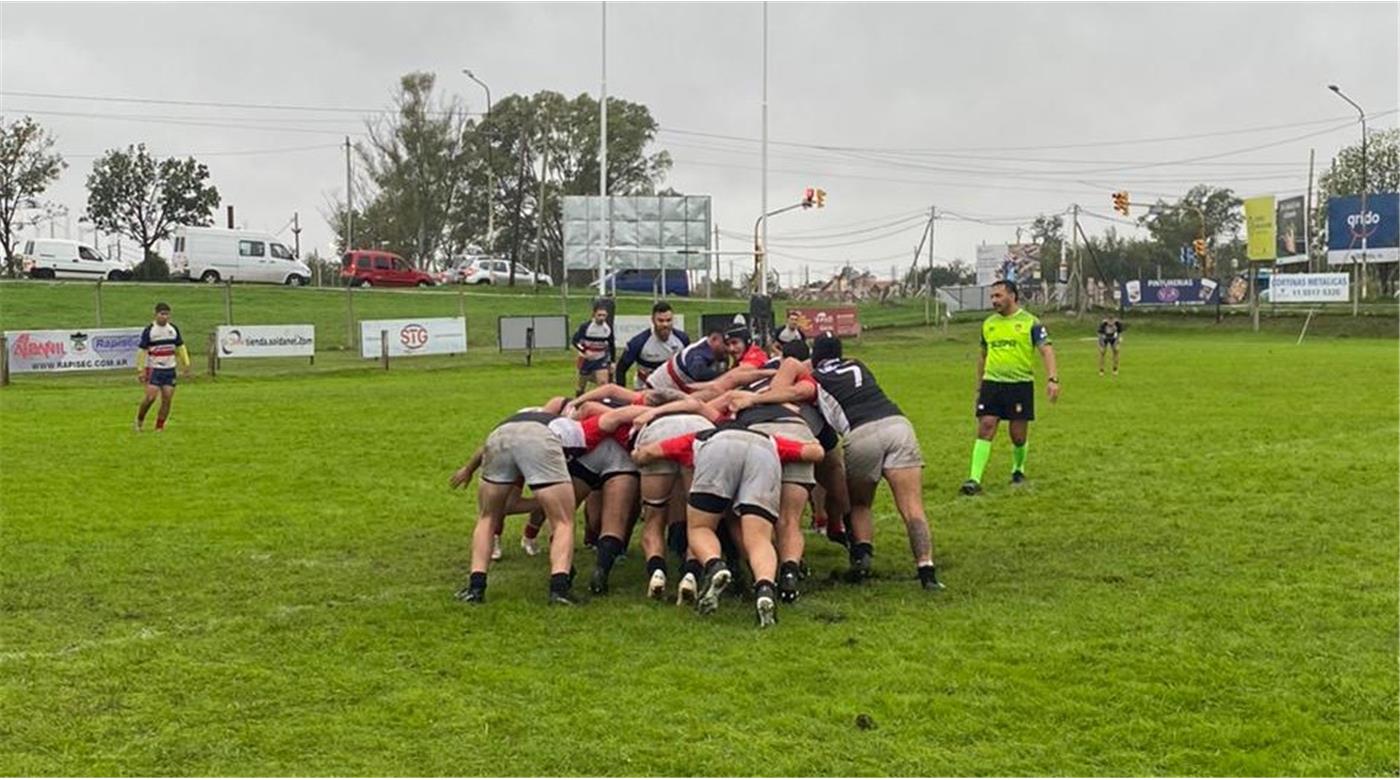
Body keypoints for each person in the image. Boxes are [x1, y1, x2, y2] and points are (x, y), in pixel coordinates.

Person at [632, 423, 824, 628]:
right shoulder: (772, 440)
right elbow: (812, 452)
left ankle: (715, 566)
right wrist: (815, 444)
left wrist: (637, 455)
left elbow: (649, 453)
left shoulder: (694, 438)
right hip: (764, 453)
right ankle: (765, 587)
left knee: (700, 528)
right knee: (758, 538)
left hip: (717, 451)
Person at [791, 334, 944, 590]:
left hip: (861, 434)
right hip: (898, 424)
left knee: (860, 503)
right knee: (912, 507)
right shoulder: (858, 364)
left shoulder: (814, 378)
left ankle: (861, 560)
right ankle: (926, 569)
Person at [962, 280, 1059, 495]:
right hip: (992, 383)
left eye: (998, 296)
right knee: (986, 426)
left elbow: (1046, 350)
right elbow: (983, 356)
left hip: (1020, 384)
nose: (994, 301)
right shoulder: (988, 324)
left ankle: (1018, 470)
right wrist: (979, 388)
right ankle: (973, 479)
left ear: (1013, 296)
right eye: (992, 297)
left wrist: (1053, 379)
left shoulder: (1031, 322)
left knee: (1018, 436)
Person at [135, 302, 192, 432]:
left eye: (167, 314)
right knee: (150, 398)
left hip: (170, 369)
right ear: (155, 315)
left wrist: (186, 364)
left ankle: (159, 427)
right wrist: (141, 369)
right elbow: (142, 350)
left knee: (167, 398)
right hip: (154, 369)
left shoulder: (173, 330)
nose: (164, 317)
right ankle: (139, 421)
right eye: (162, 314)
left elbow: (181, 347)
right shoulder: (150, 330)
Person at [616, 301, 689, 389]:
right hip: (645, 390)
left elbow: (689, 367)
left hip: (673, 390)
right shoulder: (638, 342)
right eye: (660, 321)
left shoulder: (682, 339)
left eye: (668, 320)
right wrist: (621, 394)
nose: (665, 324)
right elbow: (621, 369)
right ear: (653, 320)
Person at [572, 305, 616, 395]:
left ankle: (602, 404)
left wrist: (612, 361)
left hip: (601, 358)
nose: (601, 318)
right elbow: (575, 341)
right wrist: (584, 350)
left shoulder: (607, 329)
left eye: (604, 315)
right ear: (594, 314)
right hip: (586, 359)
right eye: (599, 315)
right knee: (581, 386)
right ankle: (578, 403)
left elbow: (612, 345)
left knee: (603, 383)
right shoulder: (586, 327)